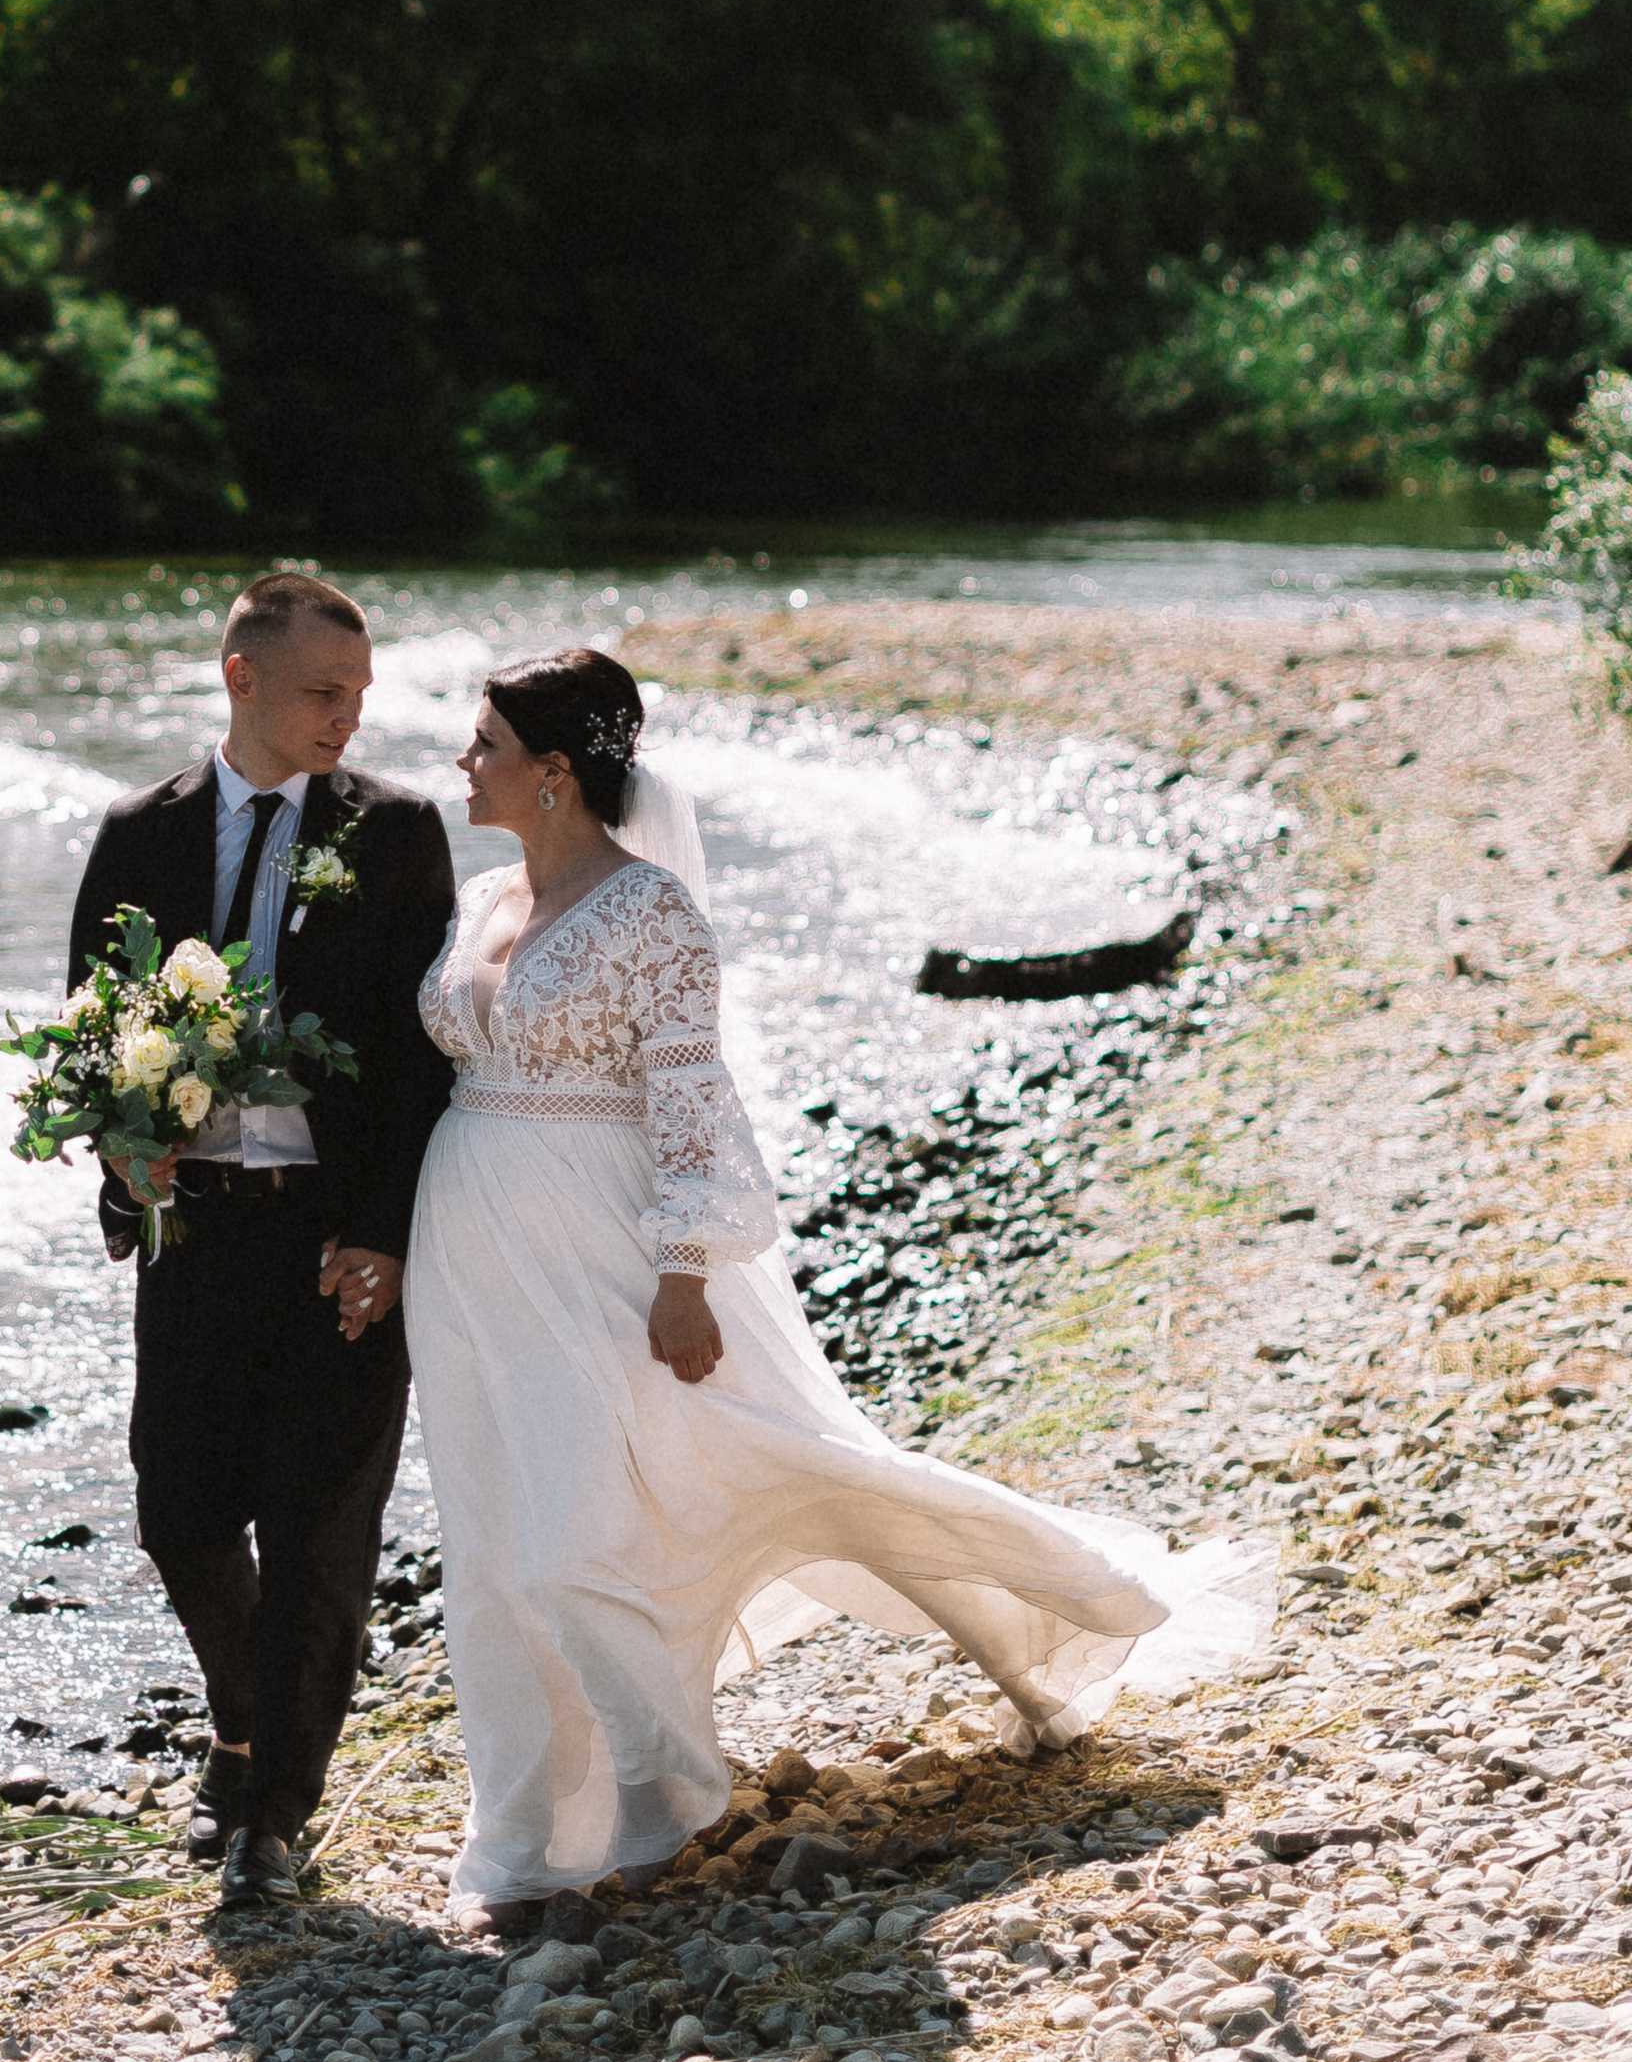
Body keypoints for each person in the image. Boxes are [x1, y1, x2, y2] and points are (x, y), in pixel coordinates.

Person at [405, 645, 1269, 1931]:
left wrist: (685, 1272)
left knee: (582, 1537)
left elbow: (693, 1104)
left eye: (484, 743)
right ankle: (529, 1831)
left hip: (600, 1249)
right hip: (467, 1253)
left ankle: (661, 1794)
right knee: (492, 1541)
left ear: (555, 772)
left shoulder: (651, 914)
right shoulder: (483, 897)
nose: (461, 762)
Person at [66, 570, 456, 1912]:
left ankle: (272, 1820)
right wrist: (122, 1152)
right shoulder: (141, 832)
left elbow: (420, 1062)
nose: (350, 716)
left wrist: (388, 1234)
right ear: (242, 678)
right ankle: (240, 1719)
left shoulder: (393, 833)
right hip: (196, 1232)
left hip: (337, 1242)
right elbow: (92, 1023)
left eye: (361, 693)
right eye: (323, 691)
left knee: (316, 1537)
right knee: (177, 1511)